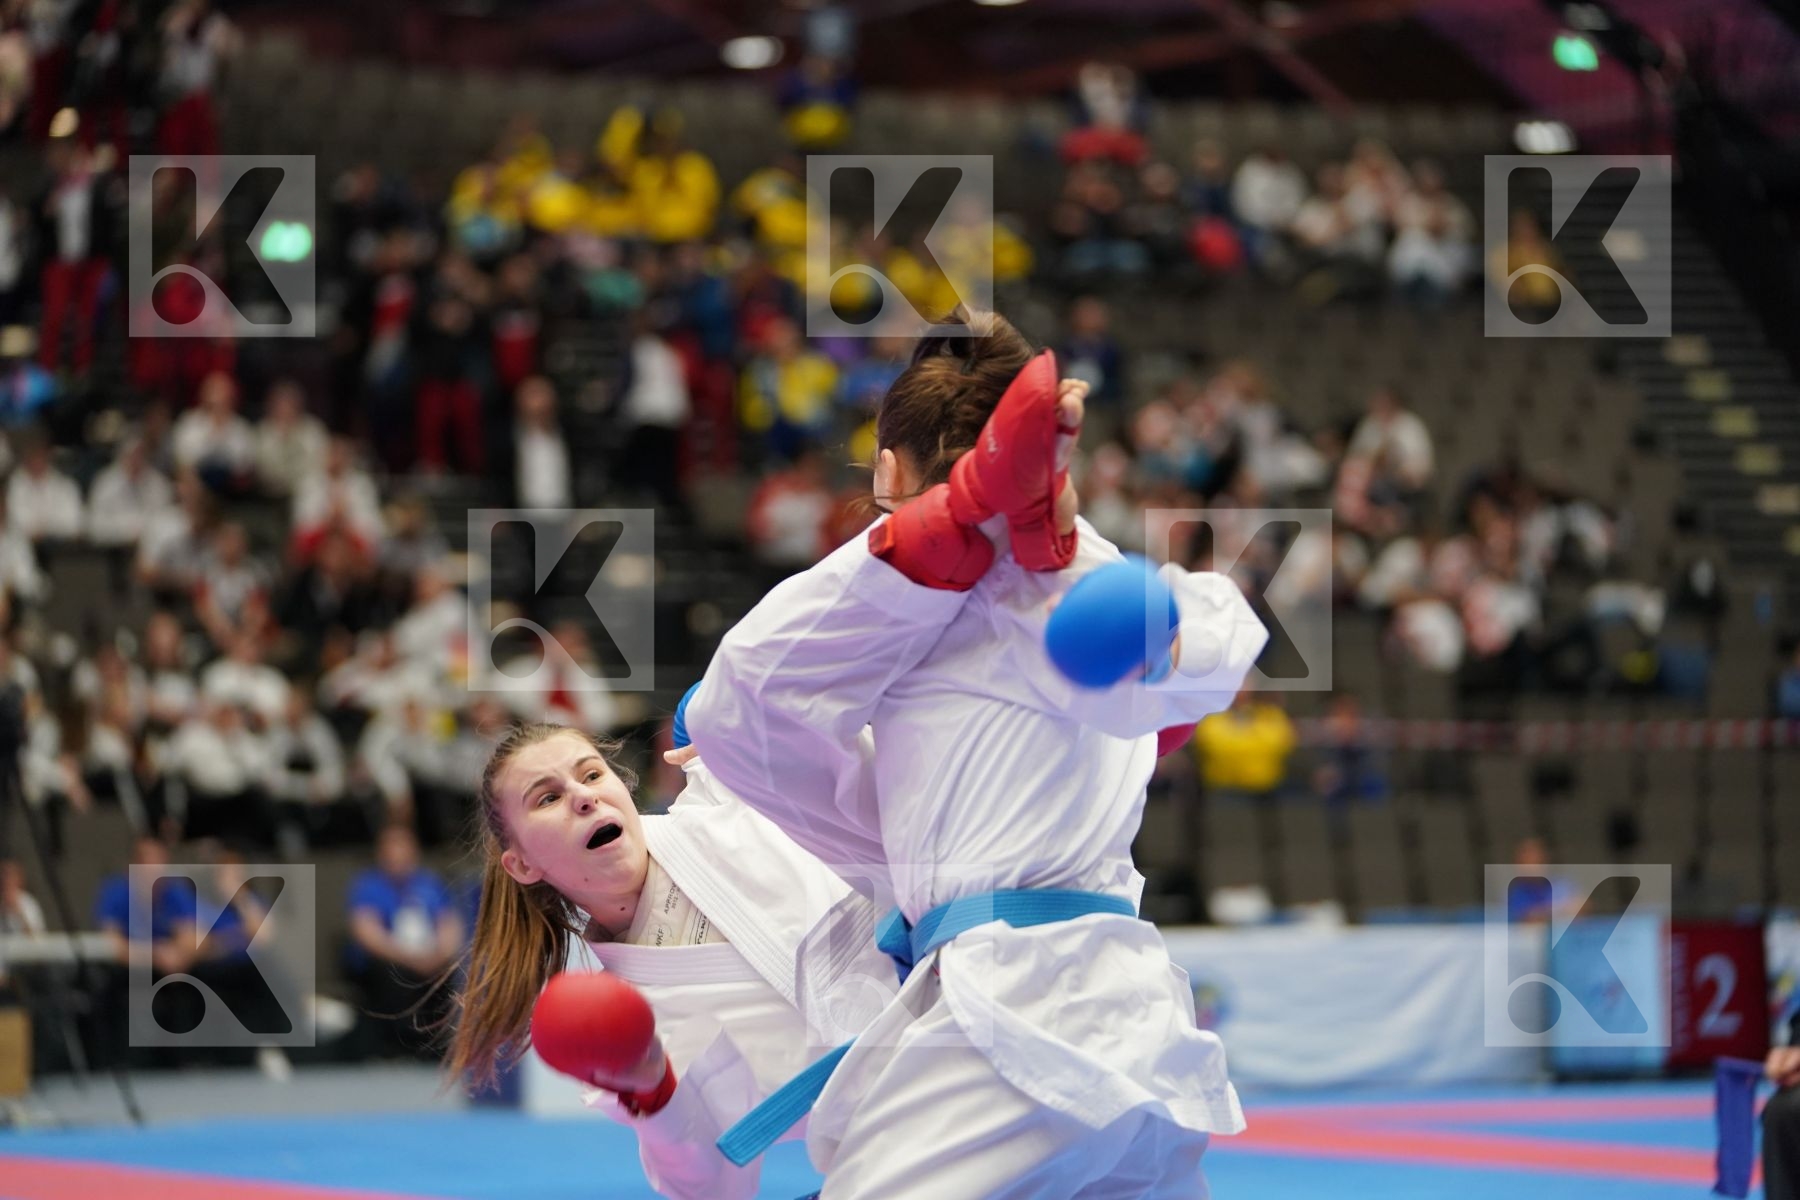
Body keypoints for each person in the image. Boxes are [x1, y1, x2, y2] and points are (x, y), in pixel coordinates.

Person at [685, 308, 1267, 1197]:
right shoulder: (1084, 572)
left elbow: (740, 711)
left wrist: (980, 526)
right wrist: (1048, 537)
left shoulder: (948, 597)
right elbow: (1191, 657)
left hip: (1018, 1016)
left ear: (886, 471)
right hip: (1130, 1019)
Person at [446, 719, 899, 1199]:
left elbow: (882, 767)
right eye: (547, 798)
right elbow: (713, 1187)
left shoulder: (728, 796)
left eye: (593, 774)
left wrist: (765, 720)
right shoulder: (629, 1031)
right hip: (904, 1133)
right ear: (522, 865)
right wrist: (653, 1087)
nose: (582, 796)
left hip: (964, 975)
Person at [346, 823, 464, 1059]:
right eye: (391, 846)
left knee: (449, 976)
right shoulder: (368, 886)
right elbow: (367, 932)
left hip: (429, 958)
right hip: (390, 960)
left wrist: (441, 954)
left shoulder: (430, 884)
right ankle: (399, 1046)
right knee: (391, 976)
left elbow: (449, 924)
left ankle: (438, 1046)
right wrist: (408, 958)